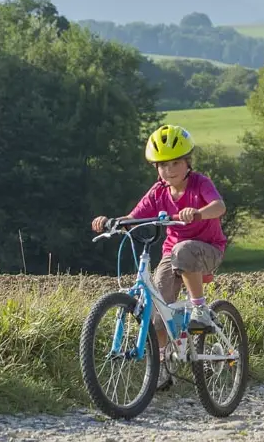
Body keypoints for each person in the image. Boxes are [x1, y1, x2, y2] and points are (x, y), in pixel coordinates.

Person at [92, 124, 228, 388]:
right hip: (173, 256)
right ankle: (162, 367)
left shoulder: (200, 184)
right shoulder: (158, 192)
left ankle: (200, 308)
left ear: (188, 162)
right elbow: (134, 218)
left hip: (208, 249)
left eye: (176, 162)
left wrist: (197, 212)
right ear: (156, 168)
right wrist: (111, 222)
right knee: (157, 313)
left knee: (182, 249)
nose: (170, 170)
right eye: (163, 165)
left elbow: (219, 206)